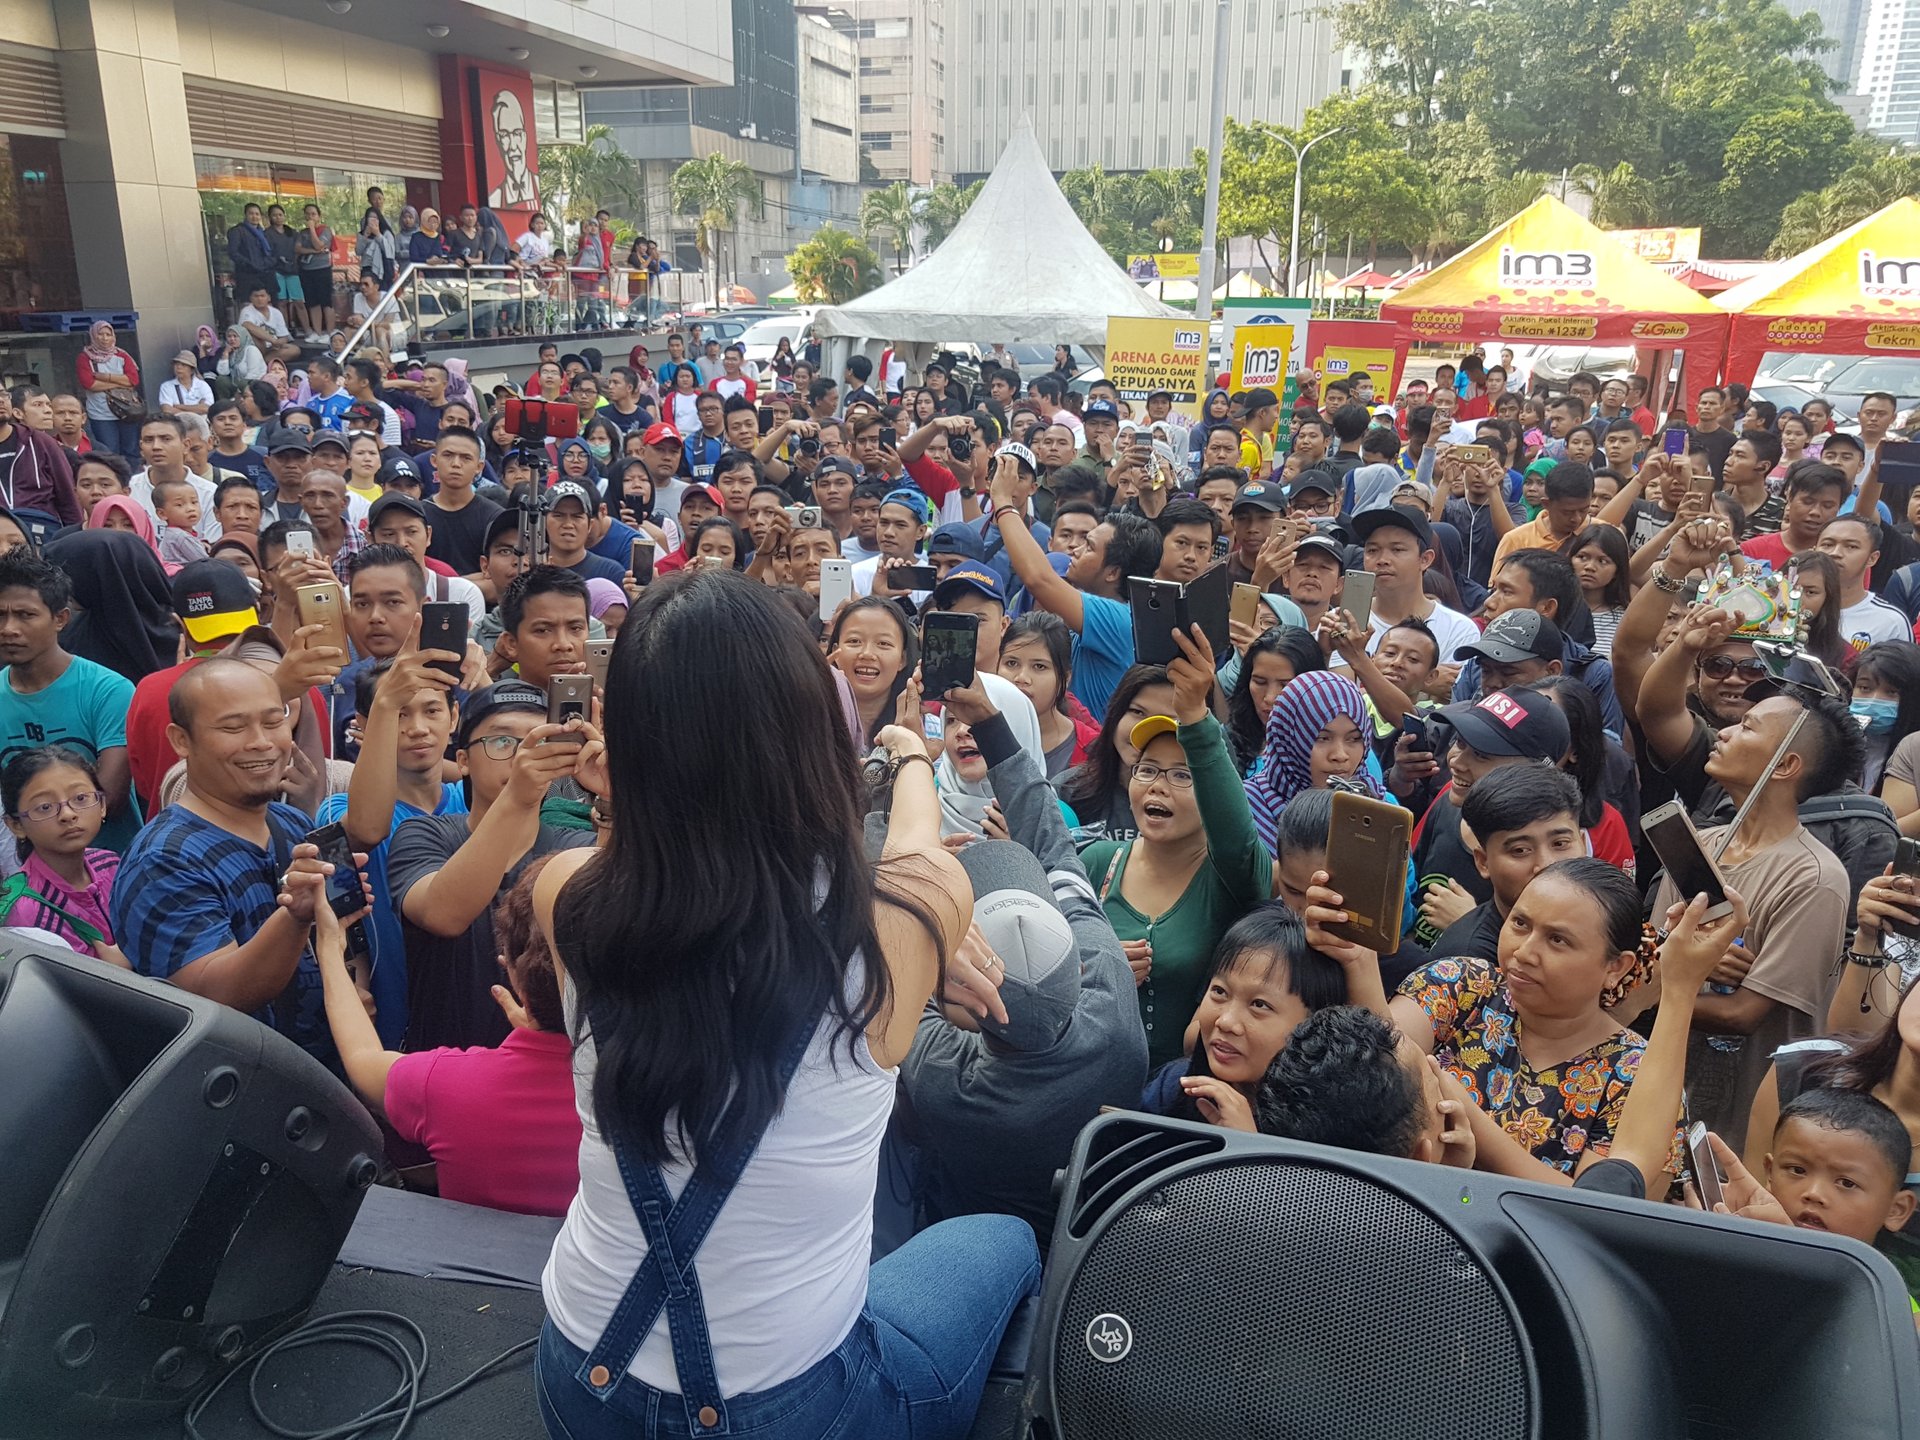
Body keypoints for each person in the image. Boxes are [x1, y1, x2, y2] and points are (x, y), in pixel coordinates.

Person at [532, 571, 1037, 1439]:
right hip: (796, 1409)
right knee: (1009, 1240)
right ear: (811, 734)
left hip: (580, 1375)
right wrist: (910, 753)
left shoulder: (565, 891)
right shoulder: (904, 920)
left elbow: (676, 900)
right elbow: (916, 847)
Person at [902, 677, 1146, 1238]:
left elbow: (896, 948)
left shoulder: (947, 1082)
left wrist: (904, 765)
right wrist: (992, 724)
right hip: (1081, 1242)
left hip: (963, 1244)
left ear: (967, 1000)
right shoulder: (1114, 1015)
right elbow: (1054, 848)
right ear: (1078, 964)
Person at [314, 853, 581, 1217]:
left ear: (510, 969)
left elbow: (361, 1056)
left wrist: (329, 947)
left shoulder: (446, 1085)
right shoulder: (648, 1089)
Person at [111, 659, 344, 1061]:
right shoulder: (164, 859)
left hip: (326, 1075)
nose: (261, 742)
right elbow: (213, 995)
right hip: (240, 1085)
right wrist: (294, 917)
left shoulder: (291, 822)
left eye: (273, 721)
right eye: (234, 728)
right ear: (181, 740)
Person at [1081, 627, 1274, 1069]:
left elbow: (1236, 837)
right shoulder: (1097, 862)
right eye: (1147, 769)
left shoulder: (1232, 875)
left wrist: (1194, 716)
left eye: (1182, 775)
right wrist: (1089, 969)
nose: (1158, 787)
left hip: (1186, 1090)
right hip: (1090, 1075)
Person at [1138, 904, 1348, 1130]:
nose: (1226, 1022)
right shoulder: (1174, 1085)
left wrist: (1248, 1143)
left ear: (1313, 1025)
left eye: (1259, 1005)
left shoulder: (1328, 1128)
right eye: (1220, 991)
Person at [987, 452, 1159, 716]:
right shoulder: (1099, 613)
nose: (1075, 550)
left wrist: (1002, 502)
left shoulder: (1120, 618)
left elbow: (1038, 579)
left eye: (1088, 546)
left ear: (1113, 572)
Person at [0, 548, 139, 852]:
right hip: (26, 871)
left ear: (60, 619)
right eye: (1, 615)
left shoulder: (108, 690)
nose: (9, 629)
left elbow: (110, 799)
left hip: (112, 864)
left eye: (25, 615)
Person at [0, 745, 128, 964]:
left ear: (102, 804)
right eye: (45, 807)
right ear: (16, 825)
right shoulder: (26, 910)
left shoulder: (111, 864)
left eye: (80, 798)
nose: (68, 815)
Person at [1242, 669, 1383, 848]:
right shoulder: (1245, 809)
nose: (1340, 755)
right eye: (1322, 738)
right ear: (1288, 738)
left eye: (1354, 739)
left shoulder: (1380, 806)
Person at [1815, 515, 1909, 654]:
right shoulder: (1791, 605)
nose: (1836, 553)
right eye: (1828, 545)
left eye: (1851, 546)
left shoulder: (1891, 621)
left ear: (1872, 558)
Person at [76, 320, 141, 458]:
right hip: (101, 413)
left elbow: (133, 380)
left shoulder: (122, 356)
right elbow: (90, 384)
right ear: (93, 335)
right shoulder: (85, 358)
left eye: (108, 334)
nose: (105, 338)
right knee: (109, 451)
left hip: (127, 410)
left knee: (131, 450)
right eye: (100, 334)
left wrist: (105, 377)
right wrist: (121, 382)